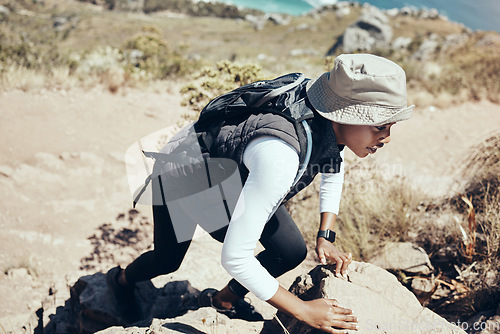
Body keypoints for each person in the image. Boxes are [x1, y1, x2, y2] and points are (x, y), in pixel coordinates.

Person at [106, 53, 413, 333]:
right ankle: (120, 280)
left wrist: (325, 235)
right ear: (346, 113)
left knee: (290, 249)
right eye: (379, 126)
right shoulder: (280, 155)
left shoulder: (329, 123)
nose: (386, 138)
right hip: (182, 175)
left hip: (232, 176)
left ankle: (223, 300)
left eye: (390, 127)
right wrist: (303, 310)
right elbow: (236, 257)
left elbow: (334, 165)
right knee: (167, 260)